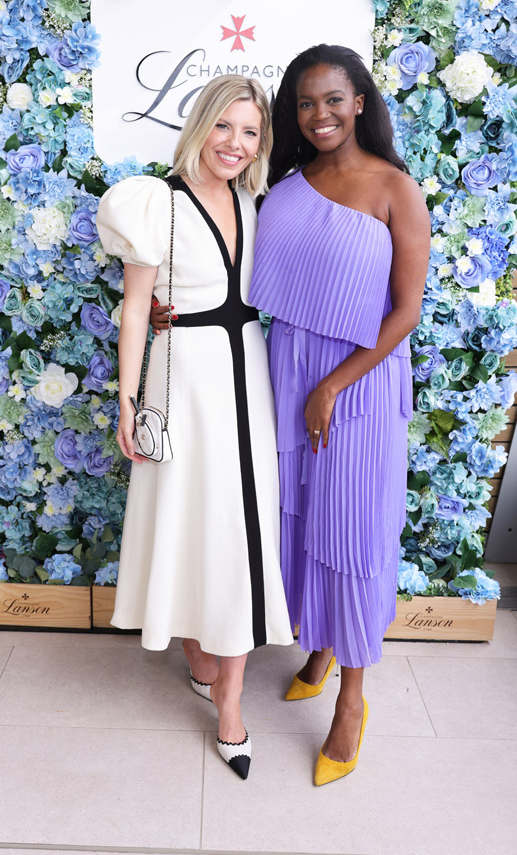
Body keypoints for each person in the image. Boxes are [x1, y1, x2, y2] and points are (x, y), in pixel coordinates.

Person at [96, 75, 293, 781]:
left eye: (249, 132)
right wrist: (126, 400)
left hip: (248, 373)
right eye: (224, 127)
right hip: (184, 380)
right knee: (186, 518)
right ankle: (195, 652)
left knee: (241, 528)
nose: (235, 144)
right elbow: (135, 307)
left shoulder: (254, 199)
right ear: (200, 125)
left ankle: (231, 706)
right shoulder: (156, 201)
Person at [249, 44, 430, 785]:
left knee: (350, 531)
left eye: (331, 99)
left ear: (359, 101)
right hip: (288, 368)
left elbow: (406, 310)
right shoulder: (287, 185)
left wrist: (332, 385)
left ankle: (351, 700)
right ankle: (318, 646)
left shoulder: (394, 187)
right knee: (300, 518)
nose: (318, 114)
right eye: (303, 103)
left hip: (357, 385)